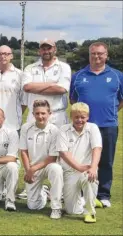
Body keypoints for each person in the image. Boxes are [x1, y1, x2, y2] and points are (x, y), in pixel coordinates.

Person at [69, 41, 123, 208]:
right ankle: (85, 192)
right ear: (89, 55)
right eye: (93, 53)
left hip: (108, 124)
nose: (97, 56)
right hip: (84, 127)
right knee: (85, 159)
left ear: (106, 55)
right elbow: (73, 100)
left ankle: (103, 194)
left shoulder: (117, 76)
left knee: (106, 161)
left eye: (100, 53)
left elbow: (121, 100)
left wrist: (110, 112)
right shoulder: (78, 76)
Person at [57, 102, 102, 223]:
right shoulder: (63, 129)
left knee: (89, 178)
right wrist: (78, 167)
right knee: (71, 211)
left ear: (87, 117)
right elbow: (63, 153)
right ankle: (88, 199)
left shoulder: (93, 128)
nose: (79, 120)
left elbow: (97, 148)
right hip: (70, 171)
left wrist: (93, 167)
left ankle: (90, 212)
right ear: (71, 116)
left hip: (87, 169)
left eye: (83, 117)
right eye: (76, 117)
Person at [19, 100, 63, 219]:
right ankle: (44, 192)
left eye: (43, 113)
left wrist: (32, 169)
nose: (40, 116)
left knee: (56, 169)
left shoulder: (55, 131)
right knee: (33, 206)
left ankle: (56, 207)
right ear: (33, 114)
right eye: (37, 113)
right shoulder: (25, 128)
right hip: (32, 169)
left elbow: (53, 157)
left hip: (48, 166)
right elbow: (23, 151)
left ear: (49, 113)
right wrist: (28, 170)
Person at [22, 39, 71, 127]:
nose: (46, 51)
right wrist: (51, 84)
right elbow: (27, 88)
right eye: (43, 49)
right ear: (39, 51)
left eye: (49, 48)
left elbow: (61, 89)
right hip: (35, 116)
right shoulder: (30, 68)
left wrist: (35, 88)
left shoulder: (64, 67)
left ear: (54, 50)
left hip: (57, 116)